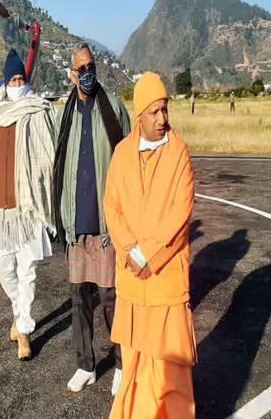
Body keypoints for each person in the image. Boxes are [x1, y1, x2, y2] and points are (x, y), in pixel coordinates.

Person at [104, 72, 197, 417]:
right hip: (131, 282)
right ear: (139, 115)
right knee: (135, 367)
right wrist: (129, 250)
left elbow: (179, 214)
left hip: (165, 281)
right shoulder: (122, 153)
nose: (162, 119)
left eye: (165, 110)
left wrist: (145, 254)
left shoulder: (179, 154)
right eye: (154, 112)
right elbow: (111, 205)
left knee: (171, 372)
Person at [53, 44, 130, 395]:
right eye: (81, 68)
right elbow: (58, 167)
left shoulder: (113, 108)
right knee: (79, 298)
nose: (87, 72)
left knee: (111, 298)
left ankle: (121, 364)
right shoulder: (64, 114)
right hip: (76, 225)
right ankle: (85, 365)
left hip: (105, 225)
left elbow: (129, 161)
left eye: (91, 65)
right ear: (72, 73)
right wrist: (59, 217)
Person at [0, 49, 56, 361]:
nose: (18, 83)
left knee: (27, 271)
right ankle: (18, 311)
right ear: (5, 82)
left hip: (28, 208)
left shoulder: (37, 112)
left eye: (21, 78)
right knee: (4, 270)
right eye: (13, 79)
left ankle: (24, 330)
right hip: (2, 208)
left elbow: (49, 153)